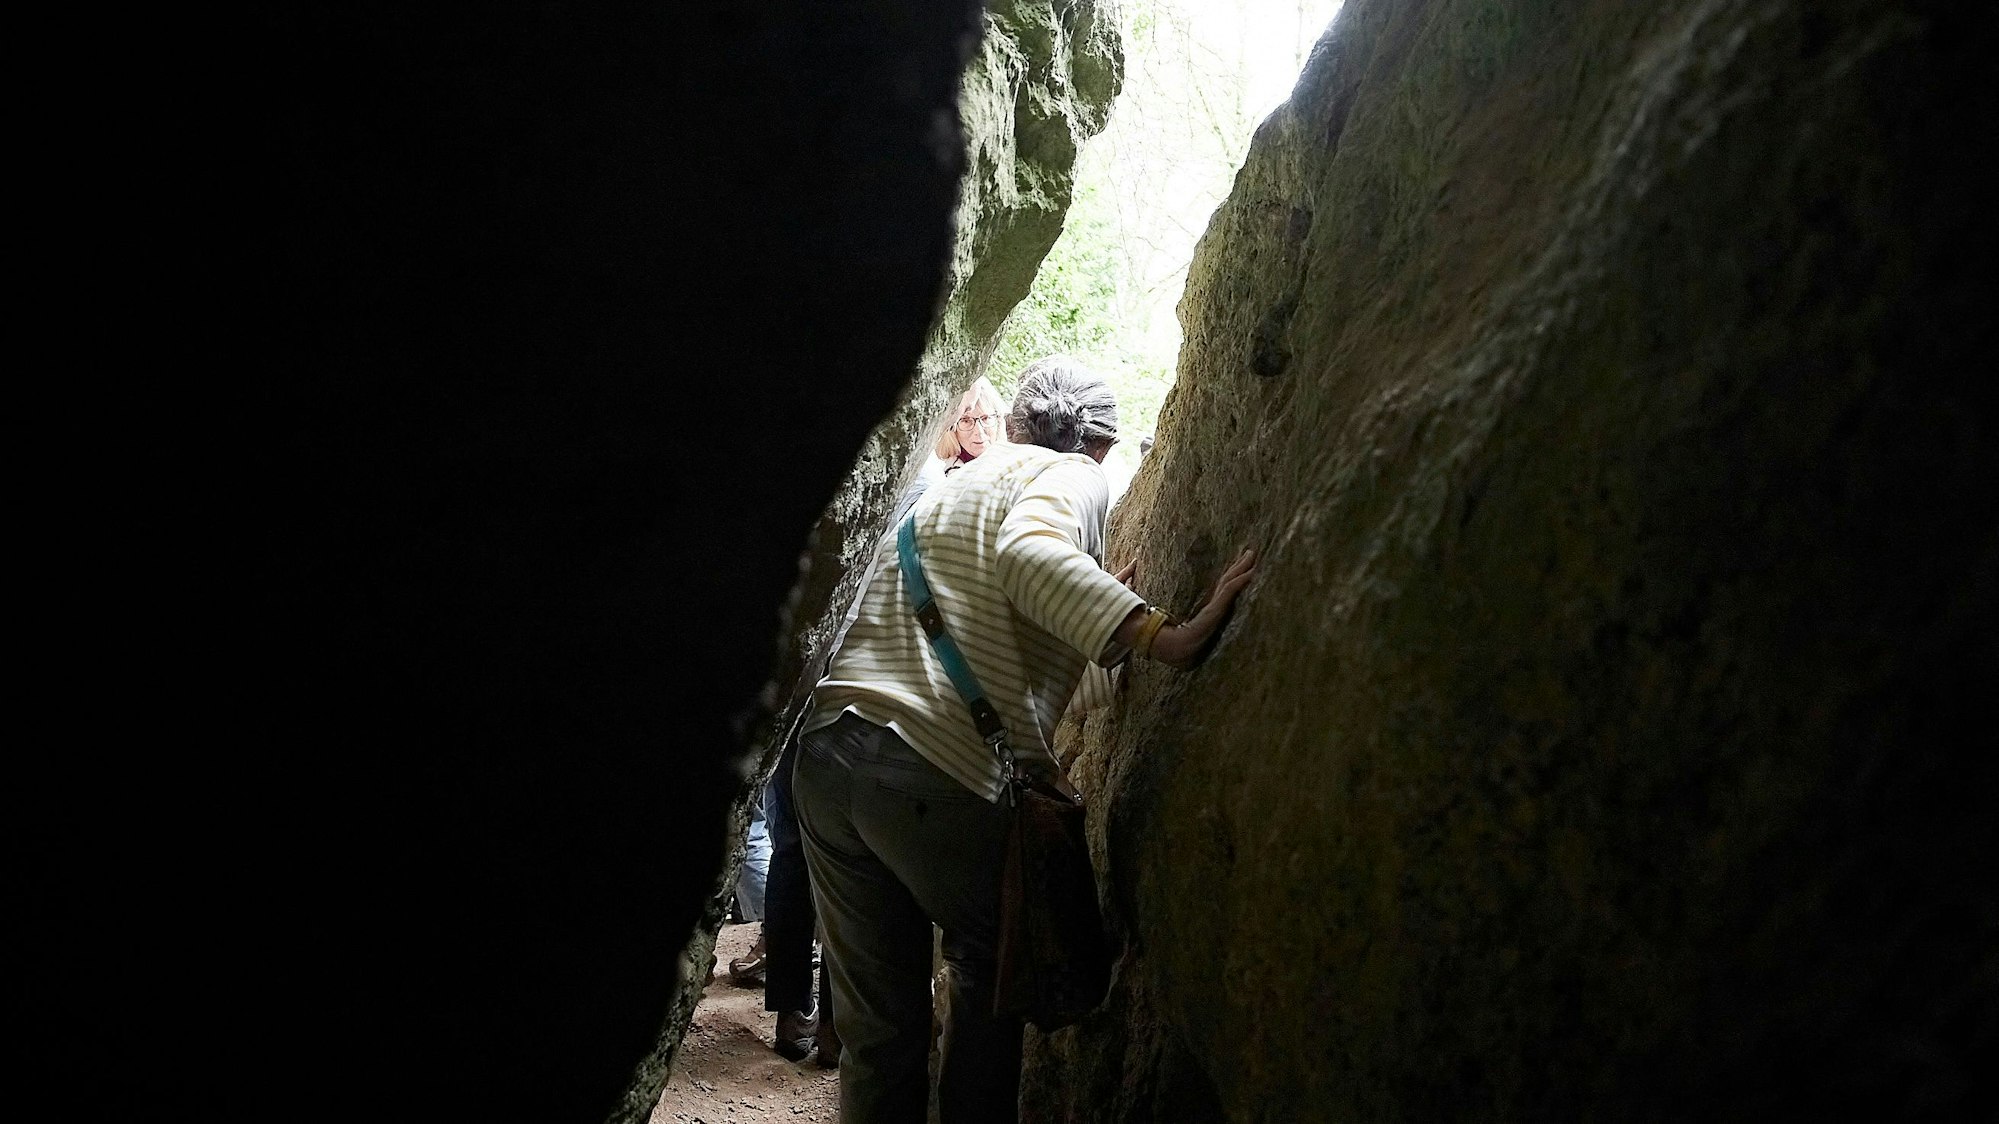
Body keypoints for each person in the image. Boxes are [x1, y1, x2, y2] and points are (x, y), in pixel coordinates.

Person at [793, 356, 1257, 1123]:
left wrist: (1097, 612)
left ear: (1011, 425)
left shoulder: (956, 486)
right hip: (931, 768)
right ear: (1101, 446)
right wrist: (1161, 635)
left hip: (830, 758)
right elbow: (1029, 556)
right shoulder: (1072, 475)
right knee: (989, 975)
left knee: (879, 1029)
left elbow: (1031, 652)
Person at [758, 375, 1012, 1066]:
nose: (984, 429)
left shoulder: (907, 478)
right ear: (946, 421)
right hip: (858, 702)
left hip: (820, 699)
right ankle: (816, 1019)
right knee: (819, 864)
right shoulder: (931, 487)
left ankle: (812, 1018)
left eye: (992, 417)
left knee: (808, 857)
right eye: (972, 417)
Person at [932, 376, 1007, 475]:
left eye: (985, 418)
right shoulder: (948, 474)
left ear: (998, 419)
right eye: (966, 421)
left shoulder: (1014, 459)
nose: (979, 432)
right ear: (953, 427)